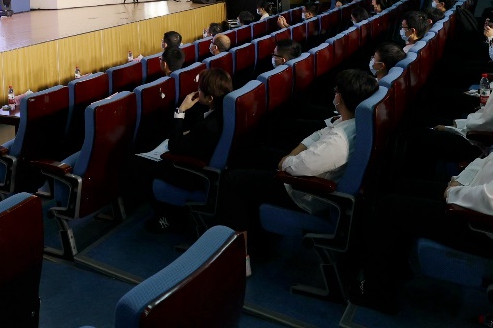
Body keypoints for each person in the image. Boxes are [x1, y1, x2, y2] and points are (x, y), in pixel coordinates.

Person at [348, 76, 493, 313]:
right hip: (468, 199)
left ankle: (377, 293)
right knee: (400, 186)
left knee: (388, 207)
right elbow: (483, 162)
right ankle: (394, 265)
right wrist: (458, 182)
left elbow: (491, 204)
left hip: (485, 231)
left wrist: (454, 193)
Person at [213, 70, 380, 255]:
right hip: (303, 173)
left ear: (340, 97)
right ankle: (257, 240)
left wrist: (286, 161)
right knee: (249, 156)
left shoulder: (338, 141)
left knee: (232, 180)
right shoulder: (352, 122)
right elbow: (319, 134)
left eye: (336, 91)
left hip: (303, 191)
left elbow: (296, 168)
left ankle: (239, 256)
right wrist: (291, 155)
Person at [136, 67, 233, 232]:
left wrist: (180, 110)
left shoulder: (208, 126)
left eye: (200, 90)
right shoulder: (223, 112)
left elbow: (174, 147)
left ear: (210, 98)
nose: (197, 92)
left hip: (193, 173)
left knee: (139, 164)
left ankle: (165, 216)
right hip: (207, 166)